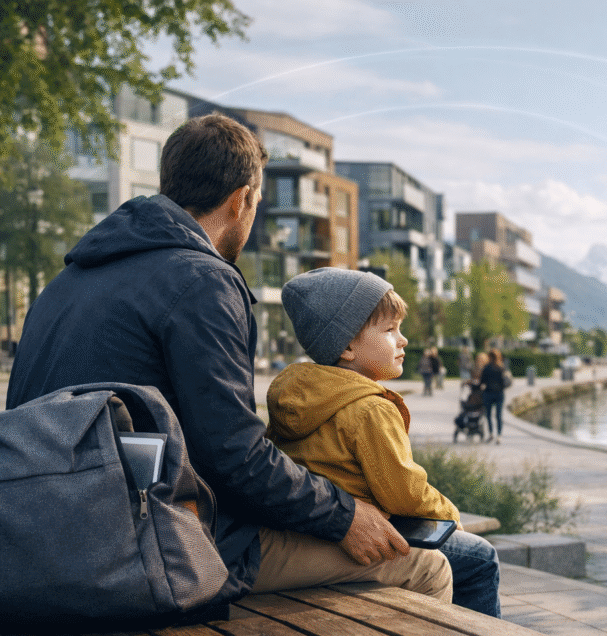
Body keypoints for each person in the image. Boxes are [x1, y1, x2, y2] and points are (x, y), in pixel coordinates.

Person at [5, 114, 451, 603]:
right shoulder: (203, 280)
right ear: (241, 200)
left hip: (43, 544)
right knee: (432, 564)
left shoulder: (64, 283)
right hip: (155, 550)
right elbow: (235, 459)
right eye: (257, 203)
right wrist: (344, 516)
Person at [266, 268, 501, 617]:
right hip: (354, 538)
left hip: (308, 534)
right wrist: (450, 515)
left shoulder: (299, 396)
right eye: (390, 330)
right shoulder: (370, 409)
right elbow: (403, 492)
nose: (403, 340)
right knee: (481, 558)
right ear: (346, 347)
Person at [479, 349, 507, 444]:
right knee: (499, 416)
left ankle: (491, 434)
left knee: (488, 415)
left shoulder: (486, 368)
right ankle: (499, 435)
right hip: (499, 393)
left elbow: (482, 381)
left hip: (488, 393)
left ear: (489, 357)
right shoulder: (501, 367)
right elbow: (504, 382)